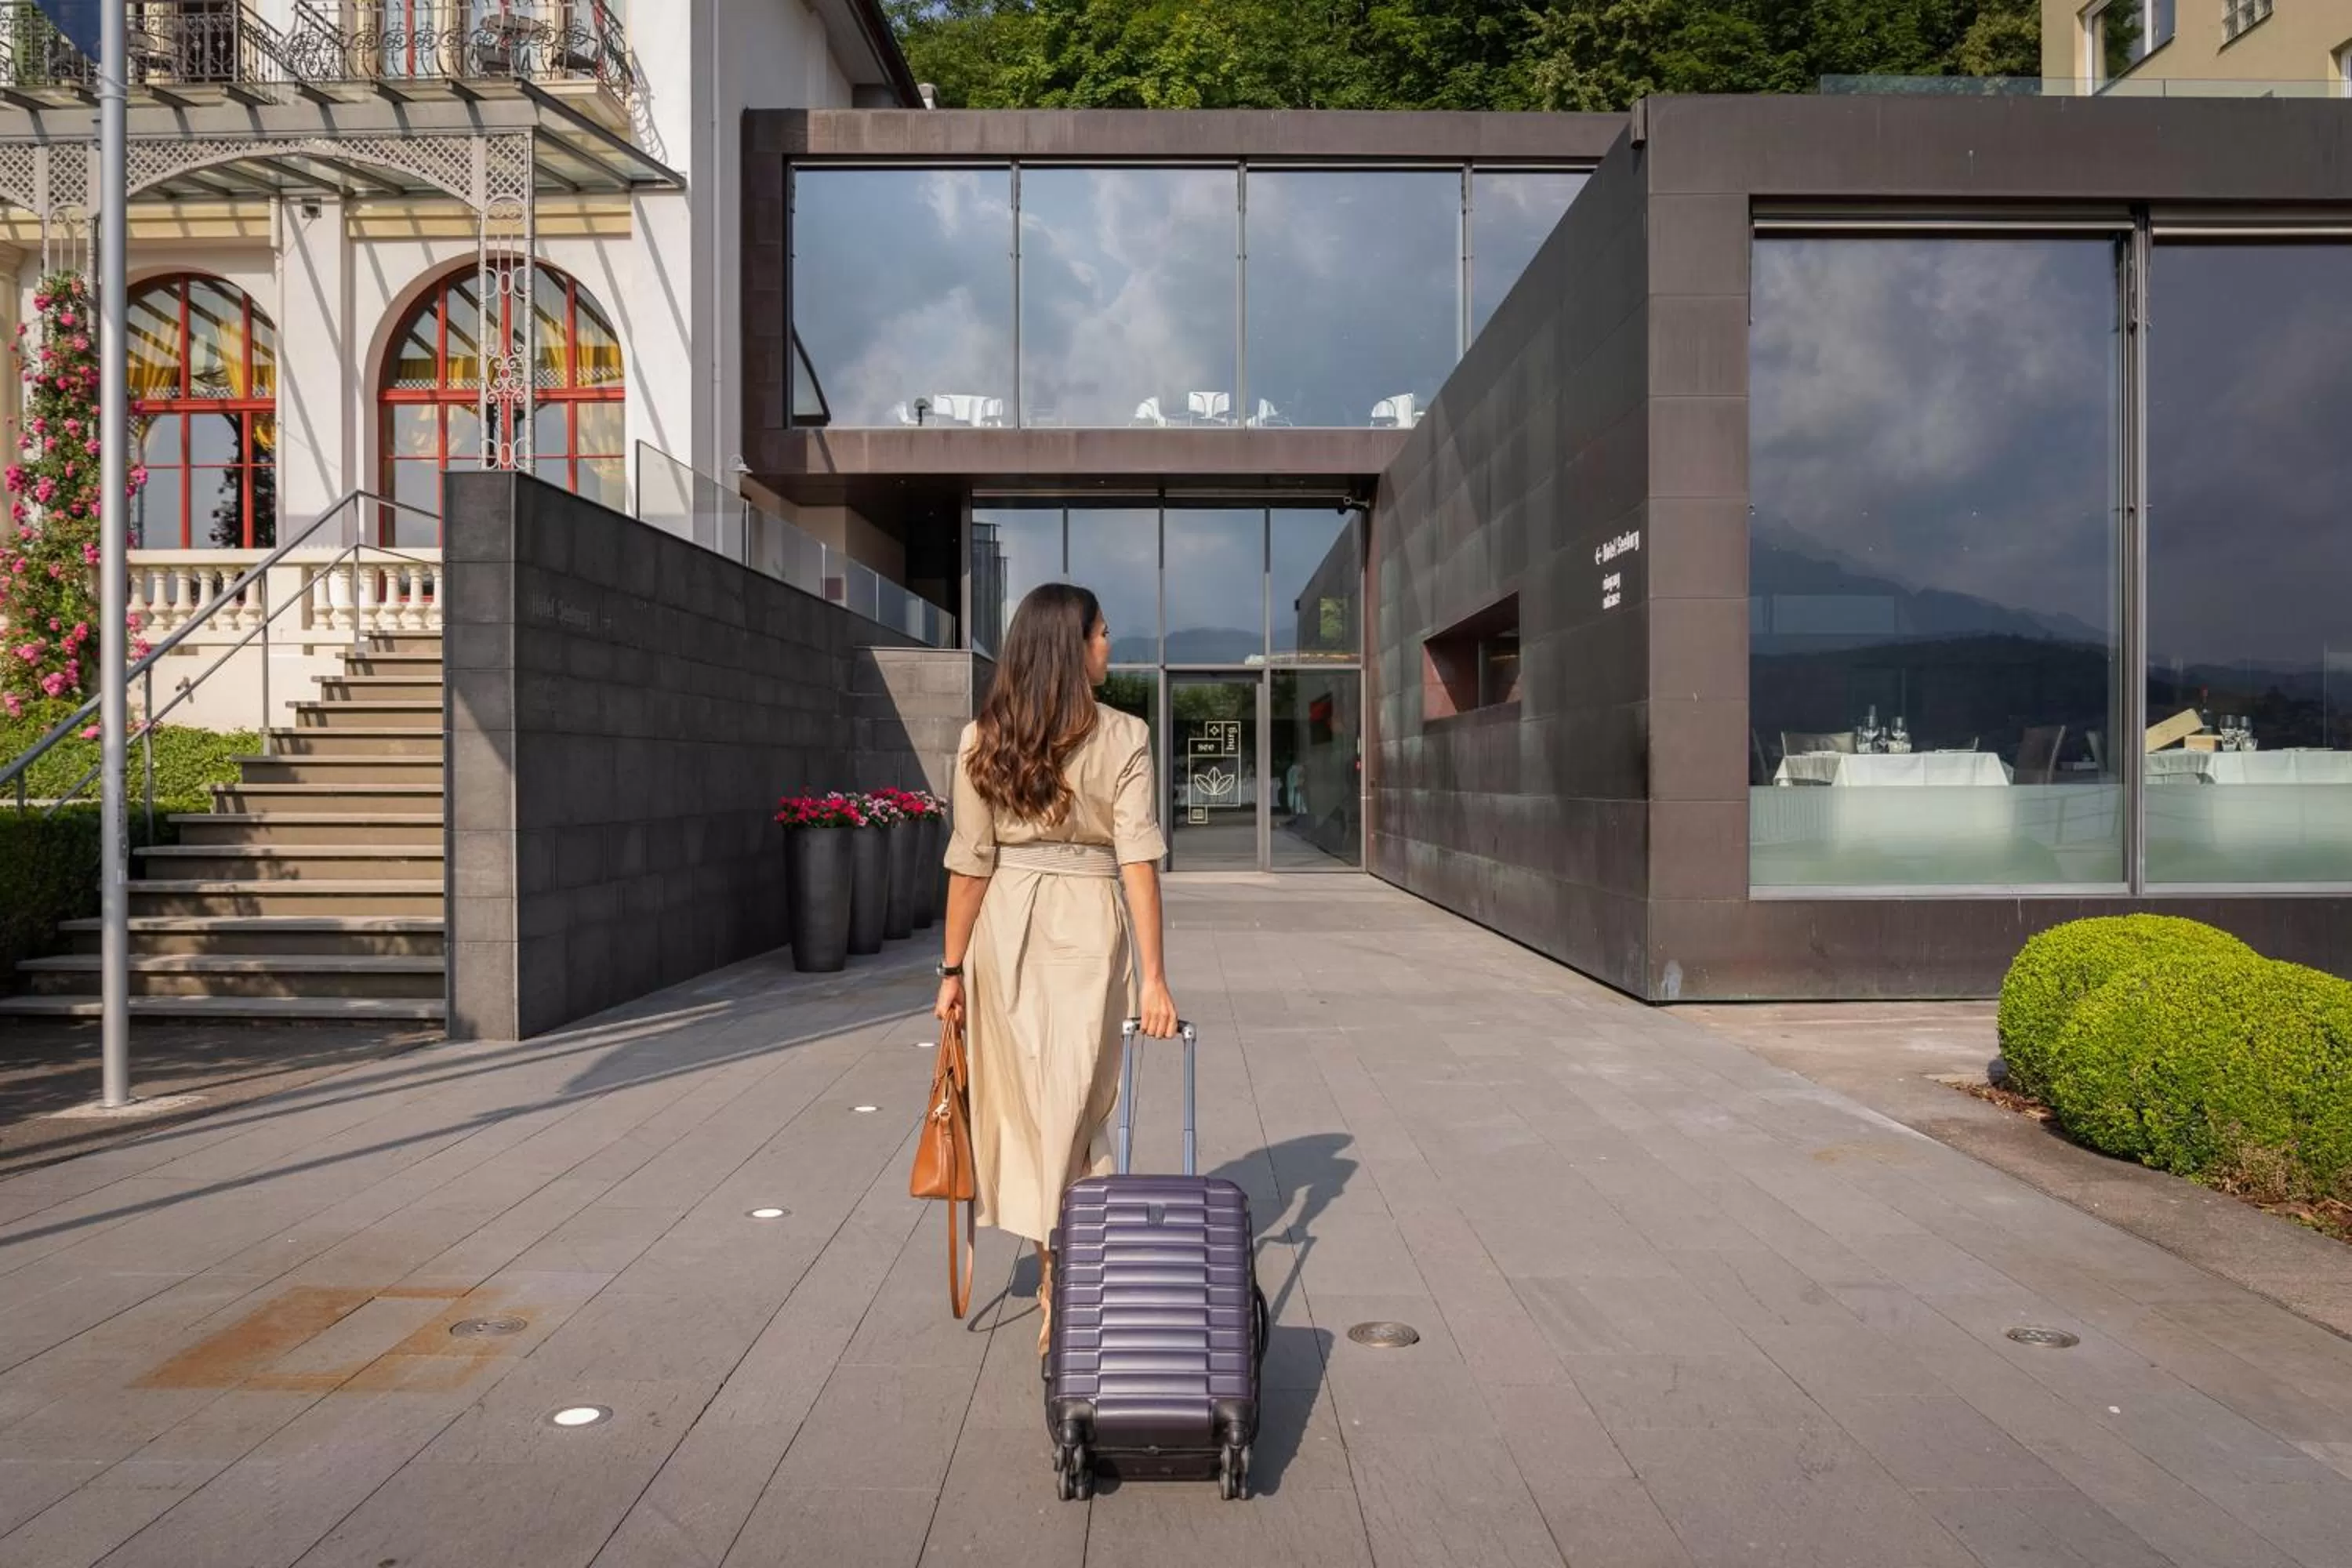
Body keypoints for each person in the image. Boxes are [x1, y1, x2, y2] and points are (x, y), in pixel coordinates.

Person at [934, 583, 1179, 1356]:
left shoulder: (984, 738)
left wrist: (951, 969)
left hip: (1006, 925)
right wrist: (1153, 974)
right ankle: (1062, 1268)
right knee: (1068, 1101)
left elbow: (971, 867)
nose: (1110, 645)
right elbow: (1137, 858)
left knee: (1055, 1100)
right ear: (1071, 648)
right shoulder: (1126, 736)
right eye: (1101, 634)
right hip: (1081, 923)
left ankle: (1060, 1264)